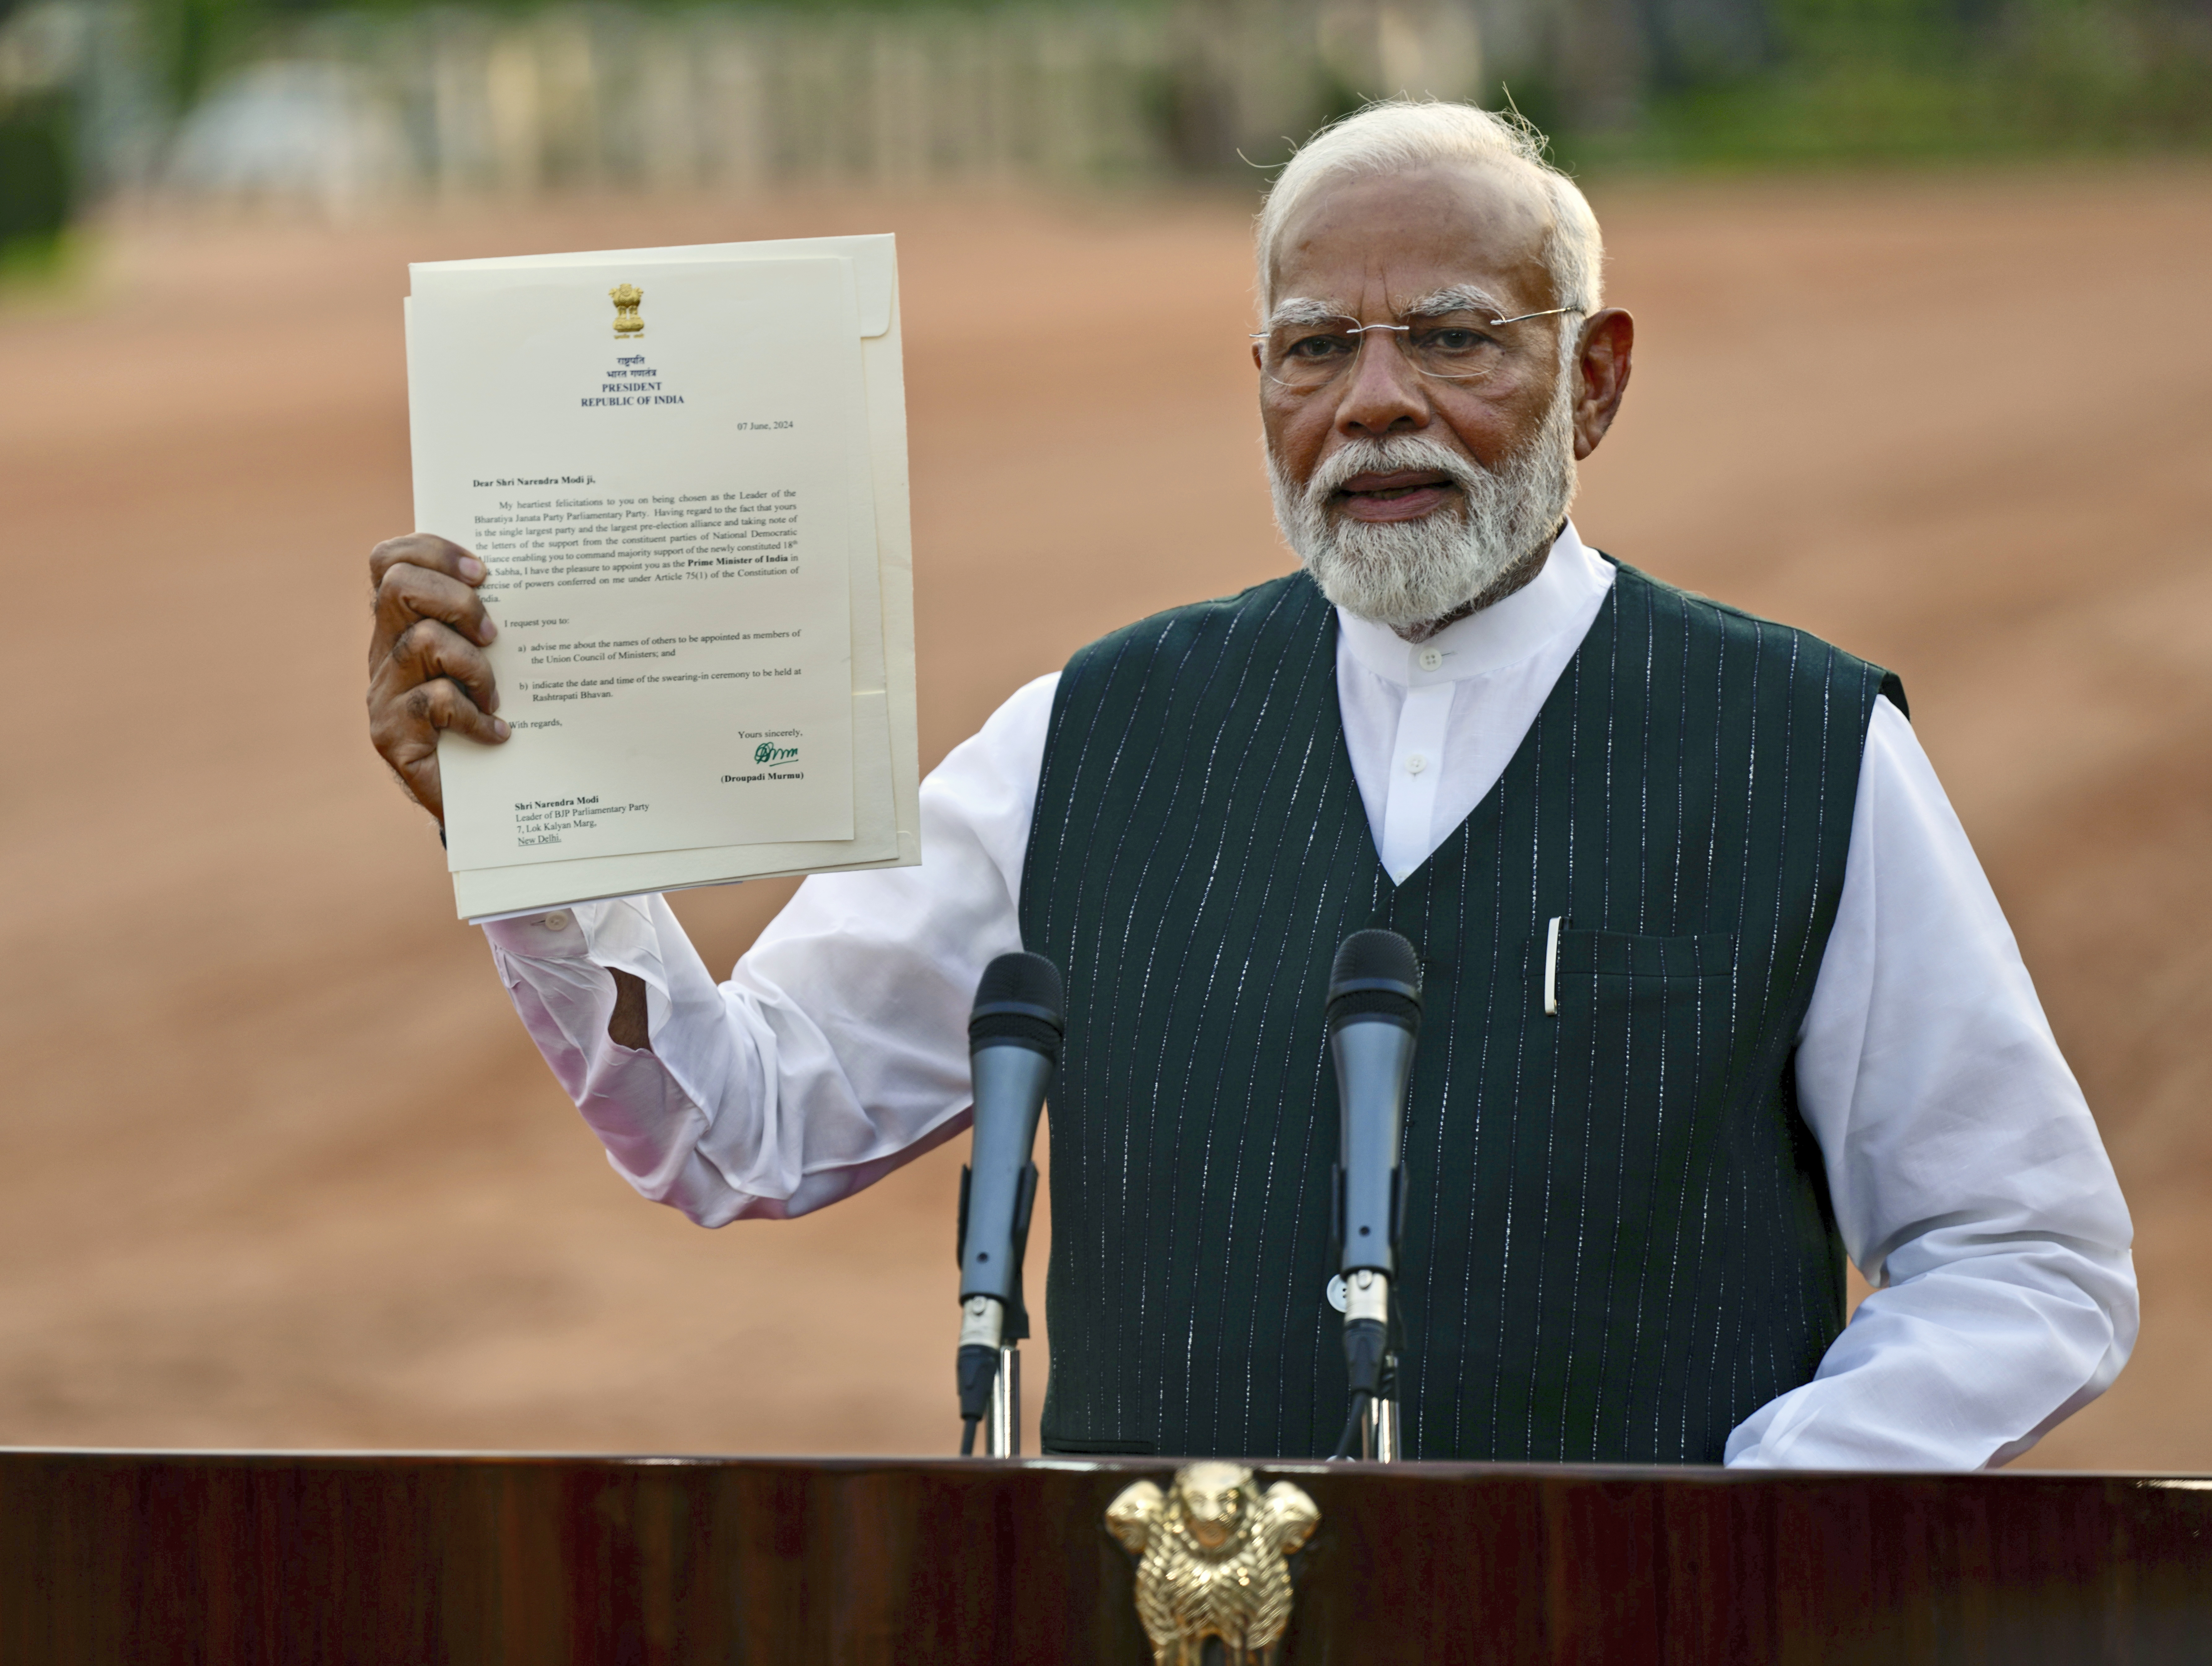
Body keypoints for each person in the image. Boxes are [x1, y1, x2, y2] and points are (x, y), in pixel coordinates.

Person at [364, 100, 2134, 1467]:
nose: (1374, 404)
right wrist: (531, 823)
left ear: (1592, 380)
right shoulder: (1091, 736)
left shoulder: (1799, 749)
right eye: (1314, 348)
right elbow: (742, 1119)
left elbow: (2024, 1254)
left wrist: (1737, 1540)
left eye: (1451, 339)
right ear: (1260, 386)